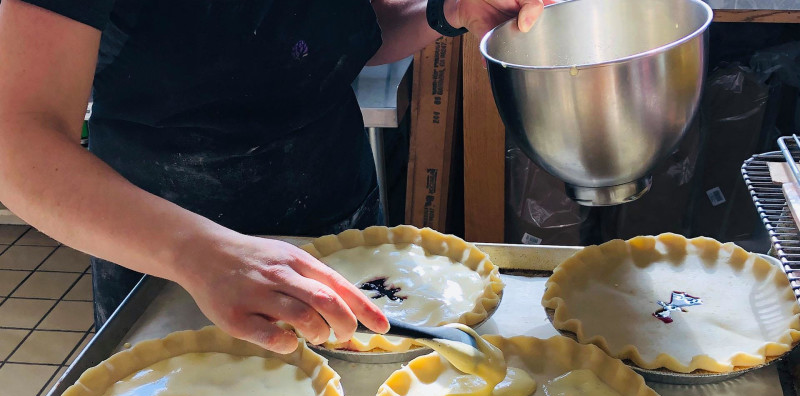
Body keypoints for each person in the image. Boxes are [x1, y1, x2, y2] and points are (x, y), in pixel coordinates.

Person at [0, 0, 544, 353]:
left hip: (342, 230)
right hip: (169, 264)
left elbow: (344, 32)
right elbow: (17, 141)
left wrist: (444, 10)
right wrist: (202, 254)